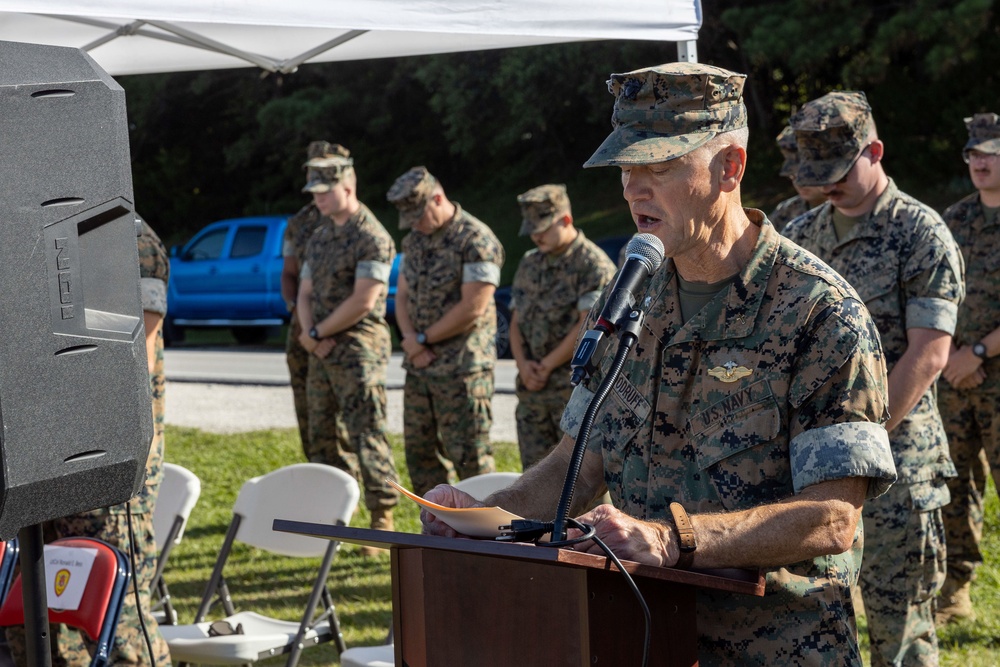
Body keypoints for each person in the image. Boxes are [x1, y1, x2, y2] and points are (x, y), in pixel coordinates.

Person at [423, 62, 897, 665]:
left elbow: (832, 517)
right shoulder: (629, 301)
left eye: (660, 166)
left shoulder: (818, 313)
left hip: (777, 645)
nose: (632, 189)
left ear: (730, 168)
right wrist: (486, 519)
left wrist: (675, 539)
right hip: (642, 632)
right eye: (627, 169)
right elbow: (578, 463)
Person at [784, 91, 964, 667]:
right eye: (815, 174)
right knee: (816, 626)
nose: (826, 186)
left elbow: (929, 354)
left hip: (897, 462)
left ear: (875, 152)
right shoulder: (800, 234)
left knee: (899, 628)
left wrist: (860, 444)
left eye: (837, 172)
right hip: (812, 472)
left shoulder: (921, 233)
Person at [6, 217, 172, 666]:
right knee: (33, 624)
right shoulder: (31, 229)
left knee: (118, 626)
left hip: (105, 461)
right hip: (40, 456)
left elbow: (141, 346)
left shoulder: (126, 236)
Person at [295, 149, 400, 548]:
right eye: (314, 192)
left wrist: (318, 331)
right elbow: (304, 292)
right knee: (322, 433)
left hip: (358, 350)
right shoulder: (320, 235)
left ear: (349, 186)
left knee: (366, 433)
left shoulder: (371, 235)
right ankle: (336, 511)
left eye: (325, 191)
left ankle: (382, 515)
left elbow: (364, 299)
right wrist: (310, 333)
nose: (318, 199)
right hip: (320, 347)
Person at [386, 166, 504, 496]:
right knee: (420, 456)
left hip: (462, 370)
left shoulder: (476, 239)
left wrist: (422, 339)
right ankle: (435, 532)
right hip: (420, 366)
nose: (414, 225)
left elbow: (473, 307)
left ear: (438, 198)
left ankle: (484, 540)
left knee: (471, 460)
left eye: (418, 215)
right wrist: (410, 340)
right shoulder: (414, 240)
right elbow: (403, 295)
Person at [935, 112, 1000, 625]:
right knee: (955, 487)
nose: (980, 161)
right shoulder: (953, 219)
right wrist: (956, 354)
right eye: (973, 153)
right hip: (954, 380)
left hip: (988, 373)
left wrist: (977, 354)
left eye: (990, 152)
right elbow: (934, 293)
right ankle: (955, 588)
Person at [508, 184, 616, 469]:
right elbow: (516, 319)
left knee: (578, 479)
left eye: (542, 227)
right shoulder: (530, 262)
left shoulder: (592, 264)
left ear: (565, 220)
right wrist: (523, 366)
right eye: (531, 228)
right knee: (532, 480)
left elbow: (588, 325)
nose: (535, 235)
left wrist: (545, 366)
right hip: (532, 392)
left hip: (572, 391)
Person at [282, 141, 350, 463]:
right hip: (305, 330)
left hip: (343, 331)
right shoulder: (301, 223)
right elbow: (290, 275)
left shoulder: (355, 222)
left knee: (344, 419)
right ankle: (317, 472)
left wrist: (324, 330)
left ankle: (351, 485)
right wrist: (304, 325)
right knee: (309, 410)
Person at [769, 125, 826, 232]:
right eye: (793, 176)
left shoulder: (847, 211)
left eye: (807, 174)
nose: (799, 182)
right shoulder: (786, 211)